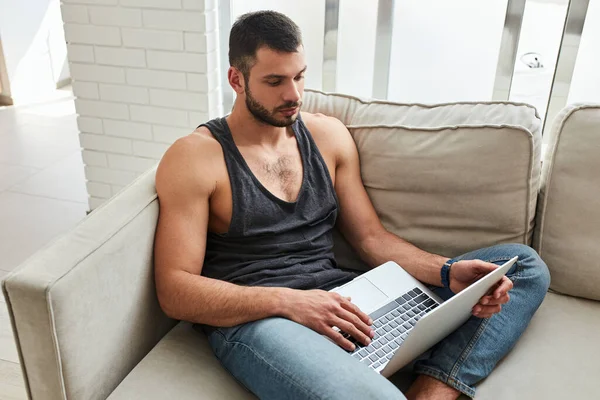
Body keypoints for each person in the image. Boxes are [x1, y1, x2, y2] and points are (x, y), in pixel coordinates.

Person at [153, 10, 550, 400]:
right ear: (236, 79)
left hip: (341, 298)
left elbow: (371, 239)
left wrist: (446, 272)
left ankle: (433, 389)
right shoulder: (196, 157)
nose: (292, 95)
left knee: (522, 265)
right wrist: (287, 300)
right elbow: (174, 291)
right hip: (260, 320)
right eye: (274, 81)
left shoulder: (327, 136)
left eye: (299, 76)